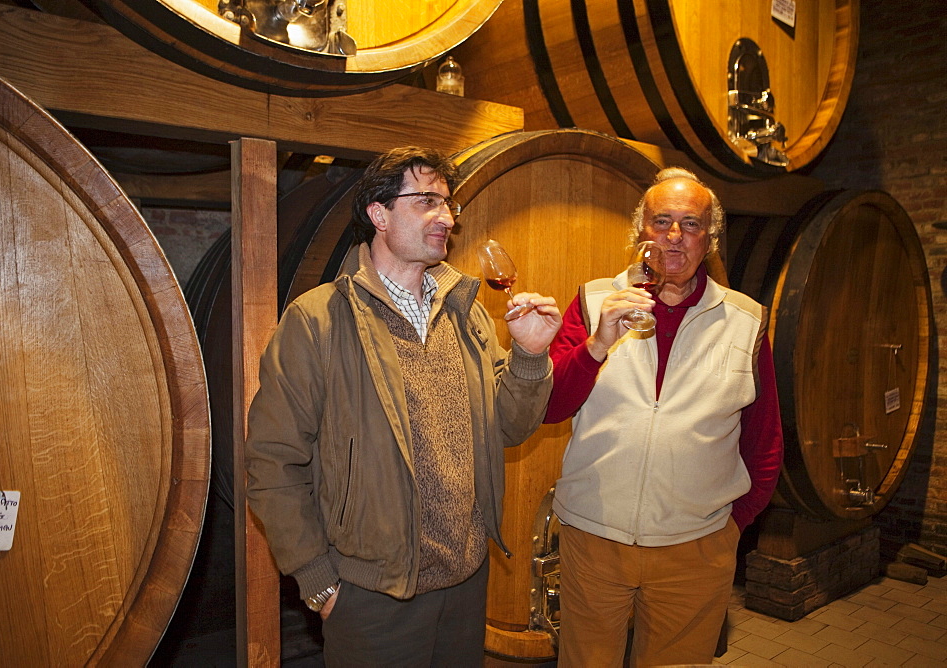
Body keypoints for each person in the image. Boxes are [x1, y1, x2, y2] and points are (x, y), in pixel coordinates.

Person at [245, 146, 562, 667]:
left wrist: (529, 355)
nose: (446, 217)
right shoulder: (318, 320)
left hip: (465, 582)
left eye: (448, 203)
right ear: (379, 214)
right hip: (373, 593)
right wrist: (316, 578)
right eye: (427, 201)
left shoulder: (467, 313)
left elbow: (508, 429)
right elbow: (272, 460)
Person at [545, 167, 784, 667]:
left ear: (709, 240)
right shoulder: (593, 302)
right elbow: (551, 407)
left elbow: (764, 440)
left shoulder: (745, 320)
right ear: (640, 232)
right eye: (662, 221)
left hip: (696, 547)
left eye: (692, 224)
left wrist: (730, 527)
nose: (675, 236)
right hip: (594, 540)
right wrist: (596, 344)